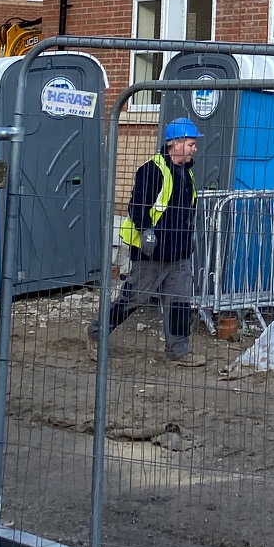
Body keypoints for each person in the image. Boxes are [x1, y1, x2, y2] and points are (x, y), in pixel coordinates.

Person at [90, 116, 206, 367]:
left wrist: (189, 236)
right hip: (151, 252)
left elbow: (186, 210)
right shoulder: (152, 170)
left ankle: (179, 351)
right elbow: (137, 205)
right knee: (133, 298)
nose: (194, 148)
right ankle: (97, 334)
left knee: (179, 303)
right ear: (174, 143)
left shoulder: (187, 173)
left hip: (179, 253)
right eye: (190, 143)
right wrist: (146, 232)